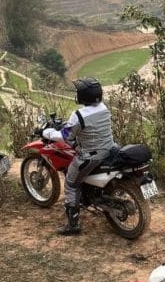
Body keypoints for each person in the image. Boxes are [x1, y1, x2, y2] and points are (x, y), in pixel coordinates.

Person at [44, 77, 117, 236]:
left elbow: (66, 136)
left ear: (84, 96)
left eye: (79, 92)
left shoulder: (79, 115)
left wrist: (47, 132)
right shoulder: (104, 107)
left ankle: (73, 225)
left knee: (71, 184)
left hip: (91, 156)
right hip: (110, 149)